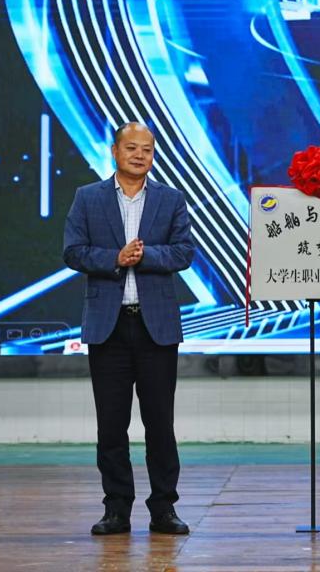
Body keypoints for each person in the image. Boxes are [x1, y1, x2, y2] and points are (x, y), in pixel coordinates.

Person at [63, 122, 195, 536]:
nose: (140, 155)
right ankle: (116, 509)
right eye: (132, 147)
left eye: (147, 149)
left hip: (156, 328)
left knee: (160, 424)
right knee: (111, 425)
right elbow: (73, 252)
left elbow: (184, 253)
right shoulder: (88, 197)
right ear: (115, 151)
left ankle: (164, 509)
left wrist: (145, 255)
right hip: (110, 327)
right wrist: (115, 259)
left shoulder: (171, 199)